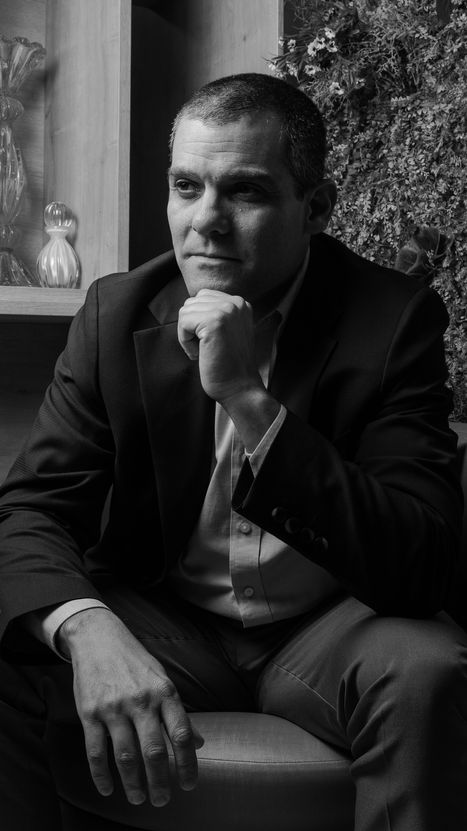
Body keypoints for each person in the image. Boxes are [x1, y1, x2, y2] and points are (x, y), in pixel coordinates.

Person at [0, 72, 466, 831]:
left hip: (330, 630)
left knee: (427, 668)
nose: (205, 222)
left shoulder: (392, 319)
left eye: (244, 191)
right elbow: (30, 512)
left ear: (316, 208)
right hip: (170, 624)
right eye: (186, 187)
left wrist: (249, 402)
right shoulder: (116, 314)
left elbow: (421, 557)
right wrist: (88, 628)